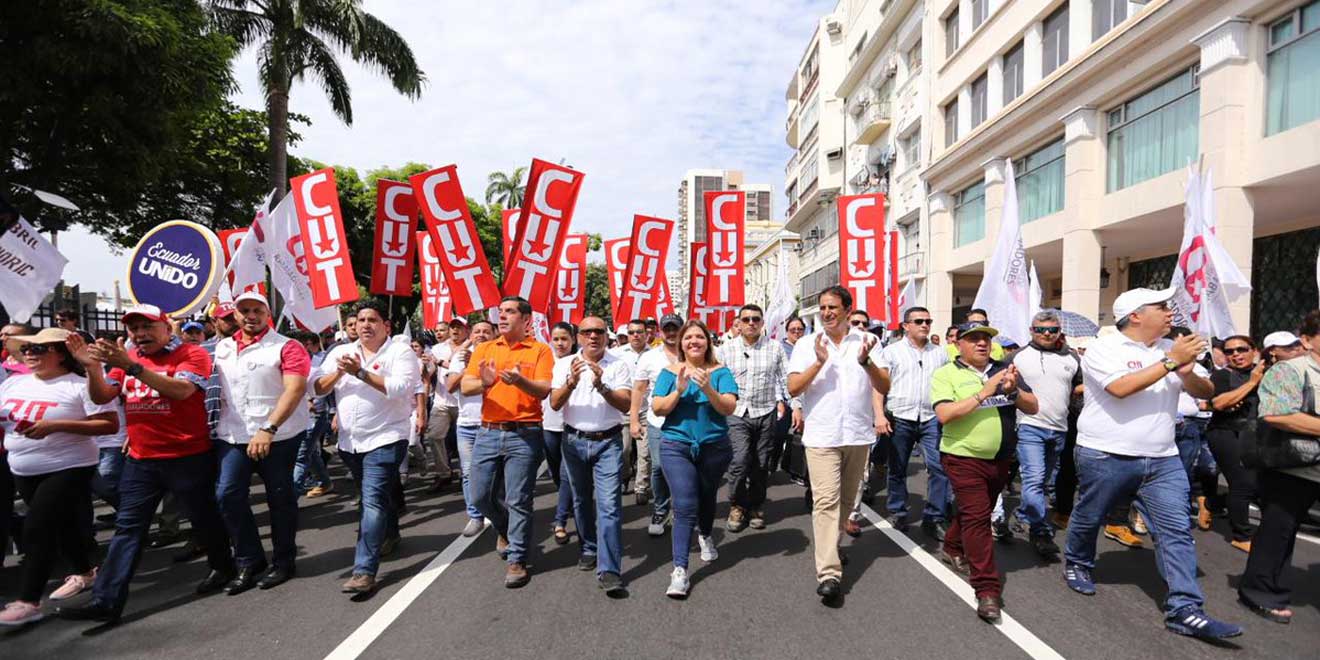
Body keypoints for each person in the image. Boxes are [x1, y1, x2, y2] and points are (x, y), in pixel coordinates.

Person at [1062, 287, 1241, 640]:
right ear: (1136, 315)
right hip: (1105, 454)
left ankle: (1185, 609)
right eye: (1161, 306)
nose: (1170, 311)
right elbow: (1121, 388)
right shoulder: (1104, 348)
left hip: (1163, 459)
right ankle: (1078, 561)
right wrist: (1172, 362)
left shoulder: (1168, 350)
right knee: (1089, 515)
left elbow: (1206, 394)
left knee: (1176, 531)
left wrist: (1187, 373)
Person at [56, 305, 235, 624]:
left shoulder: (192, 354)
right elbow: (102, 398)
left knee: (204, 520)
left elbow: (182, 391)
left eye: (147, 327)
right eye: (133, 329)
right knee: (128, 530)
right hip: (141, 459)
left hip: (188, 456)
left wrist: (132, 367)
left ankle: (223, 567)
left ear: (167, 327)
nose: (139, 335)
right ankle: (106, 602)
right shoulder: (126, 358)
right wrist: (93, 369)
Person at [0, 329, 118, 626]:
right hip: (23, 469)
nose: (29, 353)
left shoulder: (80, 385)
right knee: (64, 527)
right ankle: (86, 571)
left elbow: (108, 425)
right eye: (27, 348)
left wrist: (55, 426)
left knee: (37, 529)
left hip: (69, 466)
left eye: (39, 349)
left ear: (61, 354)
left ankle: (28, 601)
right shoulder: (14, 382)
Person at [931, 322, 1039, 623]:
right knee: (979, 519)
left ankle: (952, 545)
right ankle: (987, 589)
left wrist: (1013, 391)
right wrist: (984, 392)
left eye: (986, 339)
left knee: (975, 512)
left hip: (1001, 458)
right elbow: (945, 414)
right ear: (959, 345)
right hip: (962, 457)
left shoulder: (1006, 369)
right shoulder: (946, 374)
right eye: (974, 339)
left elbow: (1033, 406)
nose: (982, 343)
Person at [787, 286, 889, 603]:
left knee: (846, 502)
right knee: (826, 502)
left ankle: (833, 545)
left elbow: (884, 383)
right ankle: (829, 573)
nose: (827, 313)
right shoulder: (807, 344)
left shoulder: (868, 342)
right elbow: (793, 387)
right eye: (823, 307)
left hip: (858, 435)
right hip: (822, 436)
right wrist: (818, 363)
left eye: (833, 307)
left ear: (847, 309)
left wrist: (866, 363)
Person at [313, 299, 420, 596]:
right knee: (376, 495)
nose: (365, 325)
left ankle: (363, 571)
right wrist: (339, 373)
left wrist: (361, 373)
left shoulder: (400, 352)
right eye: (360, 320)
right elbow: (317, 388)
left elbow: (399, 388)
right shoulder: (340, 352)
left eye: (372, 320)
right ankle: (391, 533)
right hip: (349, 442)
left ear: (386, 325)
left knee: (370, 501)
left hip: (387, 437)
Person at [211, 291, 312, 593]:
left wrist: (268, 428)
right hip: (233, 435)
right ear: (235, 315)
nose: (250, 316)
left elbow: (294, 390)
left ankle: (283, 562)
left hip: (278, 436)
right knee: (227, 495)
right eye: (244, 311)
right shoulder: (221, 348)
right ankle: (249, 560)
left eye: (257, 310)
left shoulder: (287, 347)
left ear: (267, 314)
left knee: (279, 499)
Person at [462, 296, 554, 589]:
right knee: (478, 497)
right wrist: (486, 382)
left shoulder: (540, 350)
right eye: (500, 312)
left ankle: (517, 559)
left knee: (519, 499)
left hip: (525, 433)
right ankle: (504, 529)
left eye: (509, 312)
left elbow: (542, 390)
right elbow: (465, 386)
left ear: (526, 320)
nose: (502, 317)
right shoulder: (485, 348)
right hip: (488, 432)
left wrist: (519, 382)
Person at [1238, 309, 1320, 625]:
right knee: (1278, 532)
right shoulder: (1290, 370)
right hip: (1292, 468)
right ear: (1307, 340)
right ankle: (1259, 590)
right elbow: (1276, 414)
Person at [651, 319, 737, 599]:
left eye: (699, 337)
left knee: (707, 494)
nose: (694, 342)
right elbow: (658, 408)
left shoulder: (721, 371)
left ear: (708, 342)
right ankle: (679, 570)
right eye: (688, 338)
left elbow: (728, 407)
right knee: (685, 503)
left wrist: (708, 388)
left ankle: (706, 534)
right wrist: (678, 389)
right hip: (676, 446)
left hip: (714, 447)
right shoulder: (669, 372)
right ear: (681, 343)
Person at [548, 316, 634, 595]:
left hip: (608, 442)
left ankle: (609, 568)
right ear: (579, 337)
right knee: (581, 500)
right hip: (573, 441)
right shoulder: (564, 364)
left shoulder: (618, 364)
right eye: (587, 332)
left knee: (609, 506)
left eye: (599, 331)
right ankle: (588, 546)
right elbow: (555, 403)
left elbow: (625, 405)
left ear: (606, 335)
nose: (593, 336)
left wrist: (601, 385)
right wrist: (571, 382)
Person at [1004, 310, 1079, 557]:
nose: (1046, 334)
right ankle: (1040, 531)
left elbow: (1078, 387)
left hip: (1060, 428)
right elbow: (1003, 387)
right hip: (1029, 426)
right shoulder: (1017, 357)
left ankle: (1025, 514)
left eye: (1052, 330)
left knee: (1042, 482)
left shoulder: (1073, 357)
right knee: (1034, 480)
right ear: (1031, 331)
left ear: (1059, 331)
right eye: (1040, 329)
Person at [876, 306, 950, 538]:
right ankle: (898, 511)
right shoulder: (891, 352)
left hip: (930, 418)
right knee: (898, 468)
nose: (925, 325)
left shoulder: (940, 353)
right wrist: (879, 414)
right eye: (919, 321)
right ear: (906, 326)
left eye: (928, 320)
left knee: (939, 468)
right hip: (900, 417)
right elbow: (879, 386)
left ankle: (934, 517)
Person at [716, 304, 789, 532]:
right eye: (745, 319)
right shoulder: (725, 349)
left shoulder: (775, 348)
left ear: (762, 323)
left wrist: (794, 405)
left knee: (761, 463)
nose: (750, 323)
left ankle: (756, 505)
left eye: (755, 319)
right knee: (738, 462)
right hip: (736, 414)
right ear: (738, 322)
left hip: (765, 412)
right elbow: (716, 379)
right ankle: (737, 505)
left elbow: (785, 379)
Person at [1206, 335, 1263, 553]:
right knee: (1242, 482)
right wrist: (1251, 383)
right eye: (1229, 352)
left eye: (1241, 349)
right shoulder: (1222, 375)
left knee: (1258, 484)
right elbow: (1219, 403)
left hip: (1256, 435)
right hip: (1226, 433)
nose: (1236, 355)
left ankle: (1213, 503)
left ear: (1254, 350)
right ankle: (1242, 535)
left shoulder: (1265, 372)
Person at [632, 314, 684, 537]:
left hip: (687, 424)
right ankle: (661, 509)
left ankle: (684, 509)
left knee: (686, 469)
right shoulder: (649, 358)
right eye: (667, 329)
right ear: (661, 332)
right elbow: (639, 389)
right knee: (659, 467)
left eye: (675, 328)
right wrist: (634, 419)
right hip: (657, 422)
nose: (671, 333)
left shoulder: (694, 352)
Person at [446, 320, 496, 537]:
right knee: (468, 473)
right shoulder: (460, 356)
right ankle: (475, 515)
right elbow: (450, 386)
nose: (481, 334)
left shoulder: (500, 354)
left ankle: (496, 512)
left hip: (493, 424)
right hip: (466, 425)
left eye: (486, 331)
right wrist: (469, 366)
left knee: (495, 474)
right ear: (470, 334)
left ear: (494, 334)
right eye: (477, 331)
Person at [543, 321, 577, 545]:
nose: (560, 343)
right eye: (556, 339)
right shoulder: (544, 361)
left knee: (566, 476)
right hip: (547, 425)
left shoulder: (578, 362)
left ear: (573, 340)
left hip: (571, 427)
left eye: (565, 338)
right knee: (556, 473)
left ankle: (560, 521)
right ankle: (571, 500)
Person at [424, 318, 466, 492]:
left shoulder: (472, 348)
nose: (455, 330)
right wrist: (425, 366)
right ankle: (444, 473)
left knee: (464, 442)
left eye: (459, 327)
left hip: (464, 402)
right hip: (441, 400)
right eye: (453, 327)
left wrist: (440, 362)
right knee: (434, 436)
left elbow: (454, 368)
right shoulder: (437, 348)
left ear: (467, 330)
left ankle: (467, 475)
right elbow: (430, 372)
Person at [611, 319, 650, 502]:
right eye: (632, 332)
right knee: (624, 450)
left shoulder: (655, 354)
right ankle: (625, 475)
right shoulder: (616, 354)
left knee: (645, 453)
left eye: (639, 332)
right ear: (627, 335)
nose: (636, 335)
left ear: (647, 334)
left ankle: (641, 487)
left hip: (647, 410)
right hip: (623, 411)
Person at [295, 331, 335, 498]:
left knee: (301, 456)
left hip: (316, 415)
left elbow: (328, 388)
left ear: (307, 345)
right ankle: (325, 482)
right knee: (311, 452)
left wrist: (334, 412)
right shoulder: (286, 364)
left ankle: (291, 496)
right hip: (295, 416)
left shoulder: (321, 364)